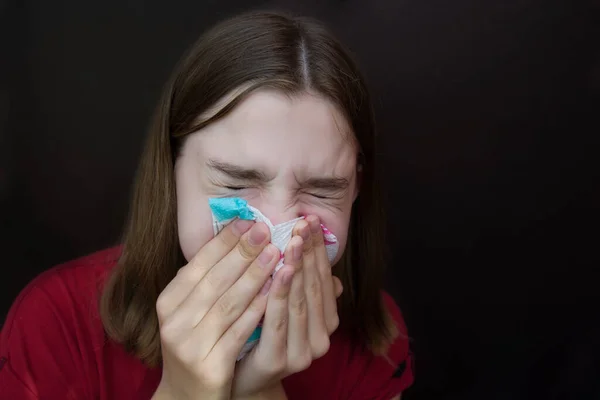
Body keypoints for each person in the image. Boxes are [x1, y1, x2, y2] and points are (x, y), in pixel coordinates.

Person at [0, 10, 414, 400]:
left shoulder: (376, 338)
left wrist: (258, 392)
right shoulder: (55, 324)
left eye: (322, 190)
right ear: (172, 169)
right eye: (237, 181)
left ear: (357, 186)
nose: (276, 230)